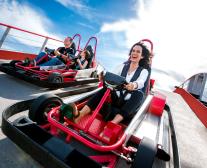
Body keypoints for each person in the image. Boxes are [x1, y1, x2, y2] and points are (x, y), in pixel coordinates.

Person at [73, 42, 150, 124]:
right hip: (116, 98)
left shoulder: (143, 71)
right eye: (133, 51)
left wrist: (133, 85)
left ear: (142, 56)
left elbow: (141, 82)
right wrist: (103, 76)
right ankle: (80, 115)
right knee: (104, 89)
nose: (134, 53)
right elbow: (111, 75)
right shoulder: (122, 66)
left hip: (127, 103)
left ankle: (113, 123)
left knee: (139, 94)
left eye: (138, 52)